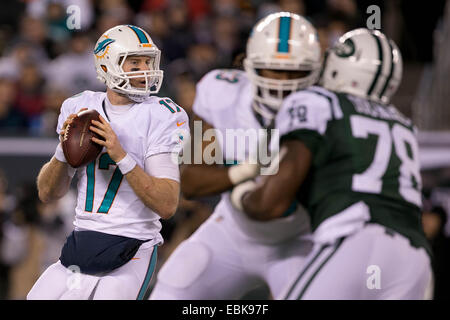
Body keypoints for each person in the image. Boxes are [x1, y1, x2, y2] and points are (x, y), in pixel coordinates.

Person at [233, 28, 433, 299]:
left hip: (356, 237)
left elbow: (270, 204)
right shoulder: (403, 123)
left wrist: (245, 196)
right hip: (414, 258)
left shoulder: (319, 102)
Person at [150, 12, 321, 300]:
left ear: (315, 72)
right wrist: (242, 172)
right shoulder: (222, 93)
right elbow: (190, 180)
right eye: (273, 70)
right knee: (172, 288)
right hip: (232, 232)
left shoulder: (326, 113)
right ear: (249, 66)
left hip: (300, 241)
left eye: (296, 73)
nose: (283, 83)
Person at [27, 25, 189, 300]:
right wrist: (63, 152)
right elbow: (47, 193)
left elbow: (167, 204)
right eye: (134, 62)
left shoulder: (162, 115)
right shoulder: (78, 108)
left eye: (148, 62)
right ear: (107, 64)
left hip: (133, 248)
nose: (144, 70)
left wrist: (121, 155)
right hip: (81, 243)